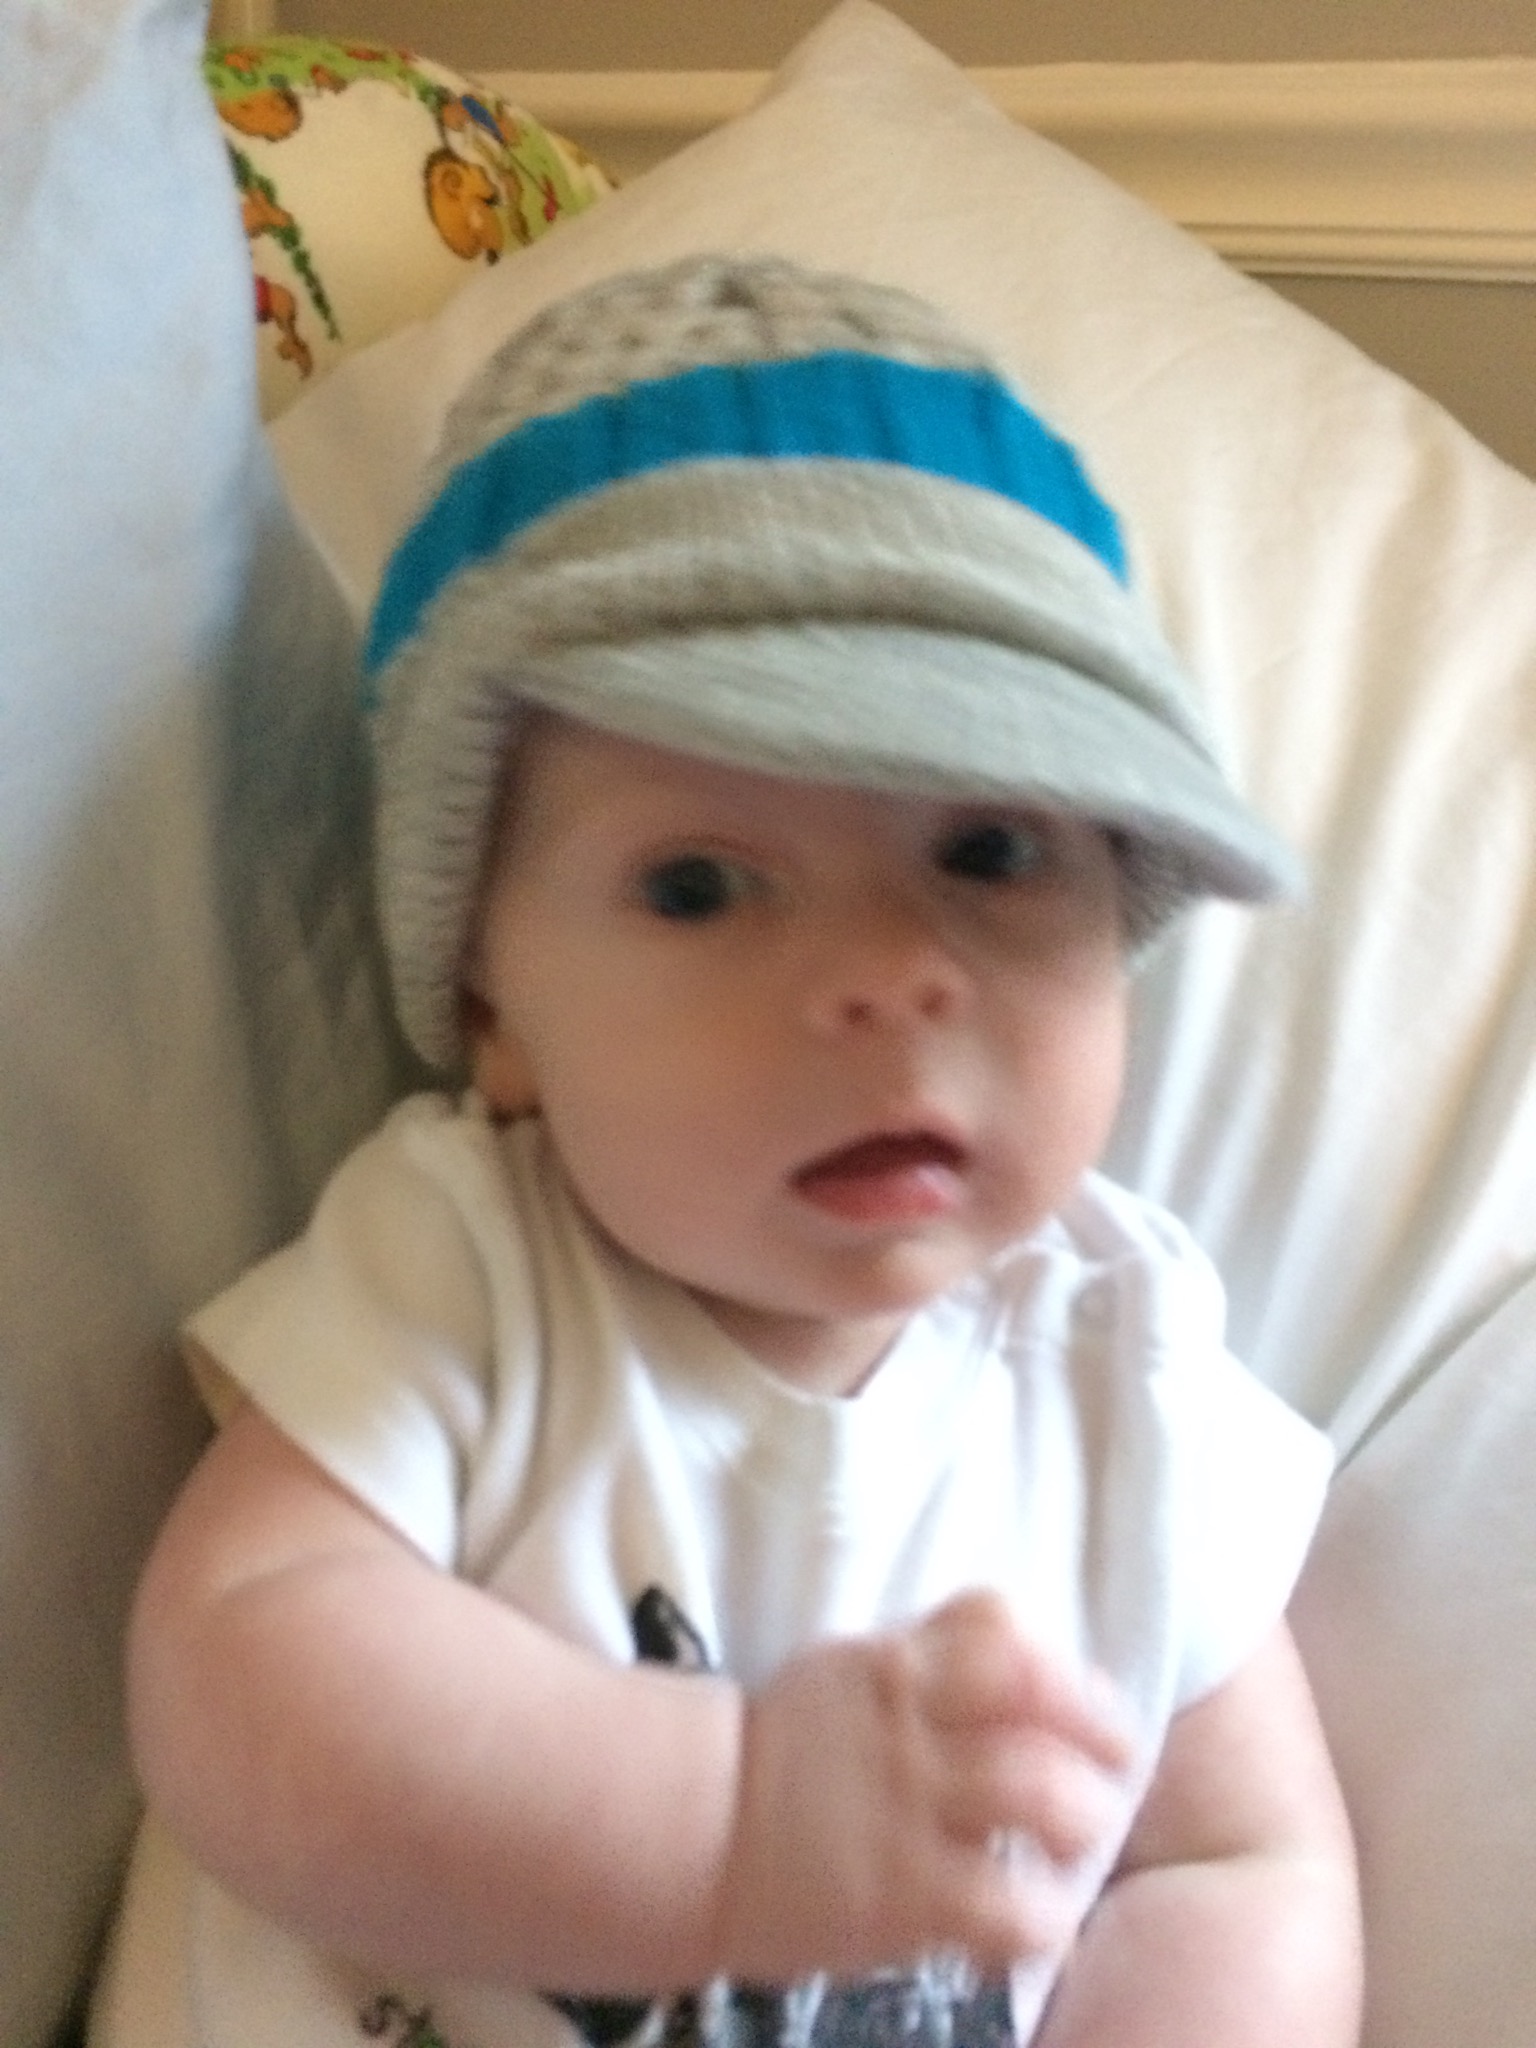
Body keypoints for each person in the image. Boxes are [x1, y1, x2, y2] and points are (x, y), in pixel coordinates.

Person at [93, 255, 1361, 2048]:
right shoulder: (471, 1269)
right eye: (699, 884)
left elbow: (1244, 1863)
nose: (889, 976)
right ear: (493, 1011)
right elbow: (239, 1666)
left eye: (992, 851)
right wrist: (732, 1822)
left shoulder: (1127, 1369)